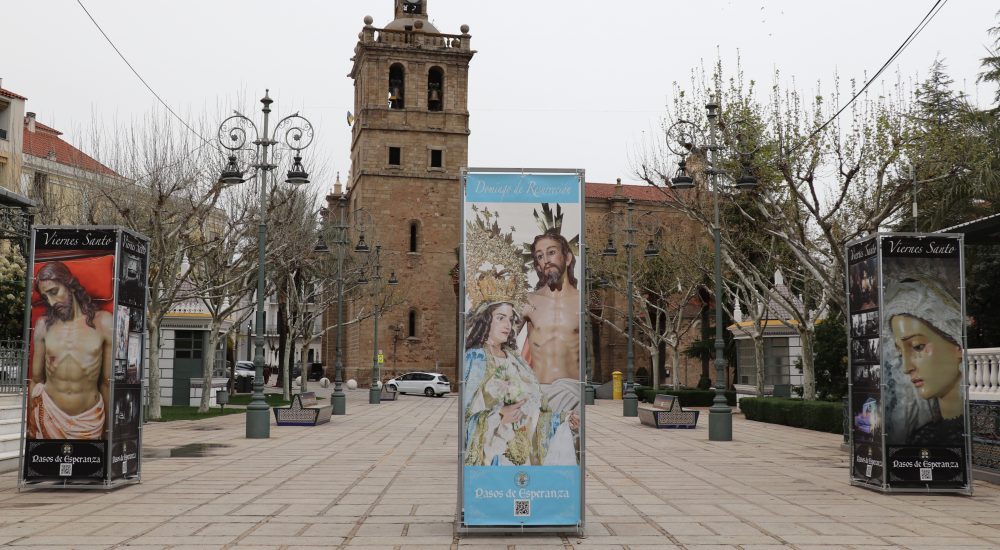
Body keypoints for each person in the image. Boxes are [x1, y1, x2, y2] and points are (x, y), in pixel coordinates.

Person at [464, 301, 578, 466]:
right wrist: (499, 415)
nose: (507, 325)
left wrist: (561, 419)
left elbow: (533, 410)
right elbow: (467, 414)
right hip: (496, 454)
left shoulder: (516, 359)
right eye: (501, 318)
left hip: (525, 453)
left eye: (510, 319)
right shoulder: (476, 358)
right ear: (485, 320)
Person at [28, 261, 113, 440]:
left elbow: (107, 383)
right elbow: (36, 380)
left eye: (54, 292)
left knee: (88, 460)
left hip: (88, 422)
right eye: (45, 297)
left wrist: (109, 430)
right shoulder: (43, 325)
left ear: (70, 285)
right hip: (48, 416)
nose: (51, 302)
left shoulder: (103, 323)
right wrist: (31, 425)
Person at [884, 276, 964, 446]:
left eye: (918, 347)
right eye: (900, 354)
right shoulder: (921, 437)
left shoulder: (985, 430)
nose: (906, 368)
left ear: (957, 344)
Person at [521, 229, 580, 415]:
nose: (546, 260)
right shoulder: (529, 302)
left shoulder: (581, 302)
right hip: (537, 394)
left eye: (551, 252)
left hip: (572, 396)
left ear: (567, 258)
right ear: (538, 267)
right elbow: (499, 342)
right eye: (540, 256)